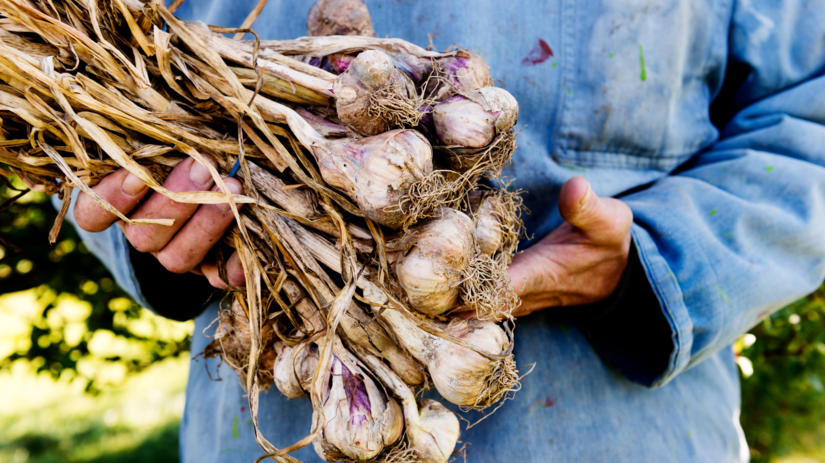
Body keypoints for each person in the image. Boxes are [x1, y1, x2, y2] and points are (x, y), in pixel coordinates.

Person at [61, 0, 825, 461]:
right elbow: (75, 82)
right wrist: (152, 214)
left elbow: (809, 112)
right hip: (280, 384)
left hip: (618, 428)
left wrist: (654, 266)